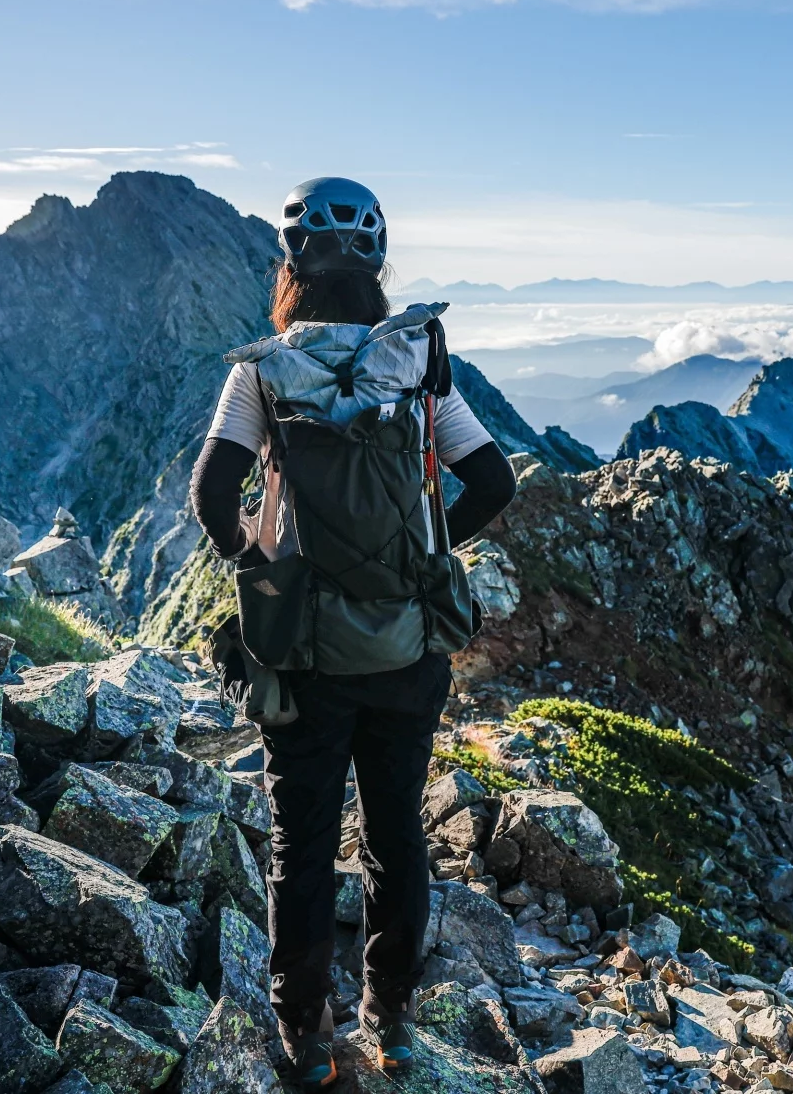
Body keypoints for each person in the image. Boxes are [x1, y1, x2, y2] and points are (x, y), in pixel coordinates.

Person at [190, 176, 516, 1089]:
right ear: (377, 265)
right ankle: (394, 1015)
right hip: (408, 647)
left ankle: (306, 1030)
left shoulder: (260, 369)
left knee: (302, 840)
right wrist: (426, 560)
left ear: (291, 265)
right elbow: (494, 482)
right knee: (395, 832)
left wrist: (264, 575)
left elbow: (212, 495)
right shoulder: (415, 362)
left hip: (304, 654)